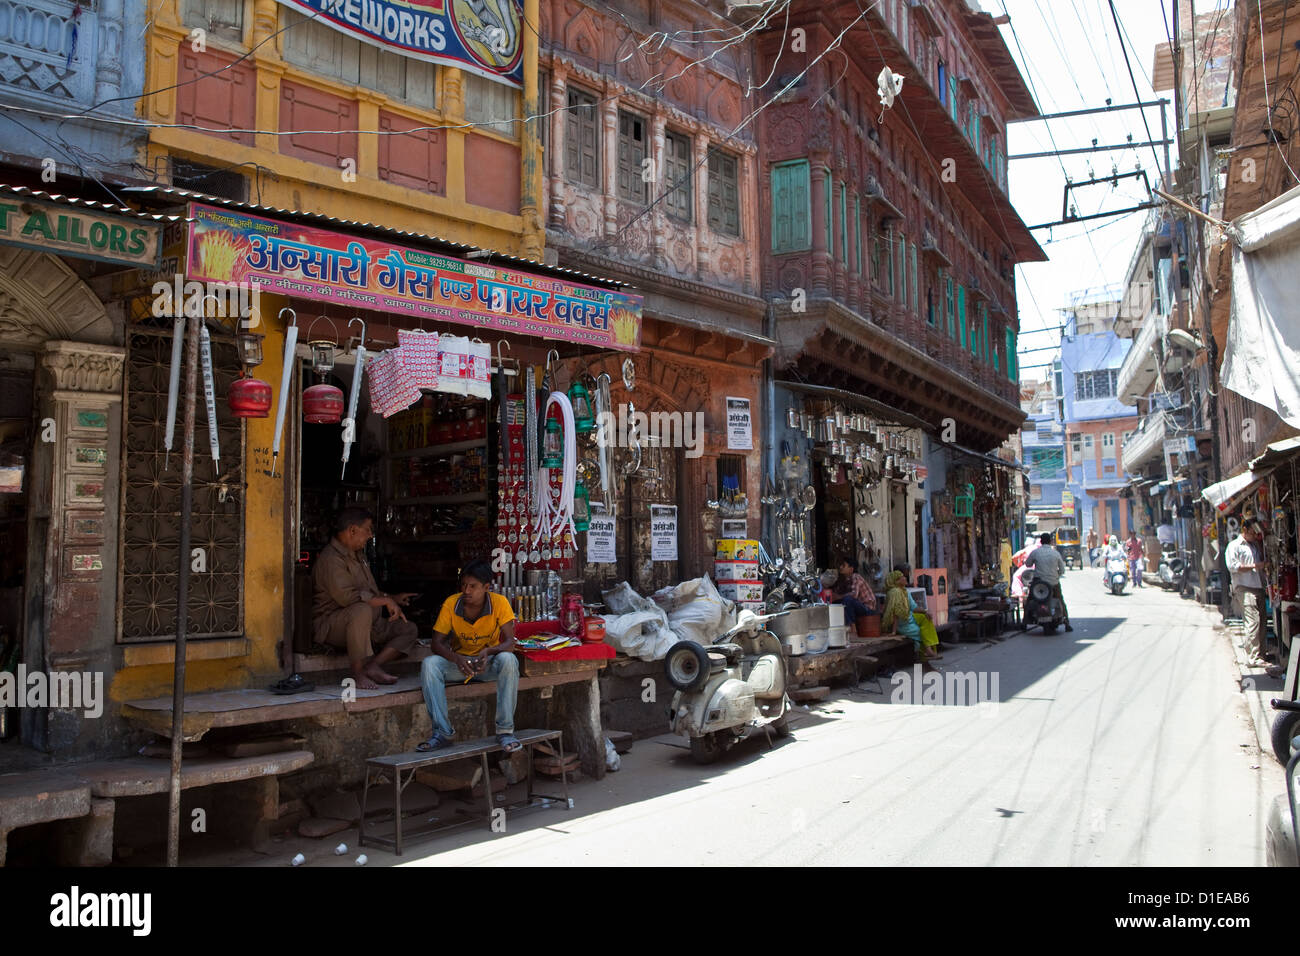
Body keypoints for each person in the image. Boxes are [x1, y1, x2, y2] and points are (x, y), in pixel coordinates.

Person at [418, 560, 522, 753]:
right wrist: (456, 658)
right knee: (429, 664)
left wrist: (489, 652)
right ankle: (442, 732)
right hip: (459, 665)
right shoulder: (451, 603)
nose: (466, 590)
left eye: (472, 586)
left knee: (509, 660)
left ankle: (505, 731)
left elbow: (510, 642)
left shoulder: (499, 603)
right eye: (464, 585)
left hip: (487, 663)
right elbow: (436, 643)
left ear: (486, 587)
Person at [313, 507, 419, 690]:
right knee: (360, 610)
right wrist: (386, 601)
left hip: (368, 623)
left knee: (408, 629)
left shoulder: (358, 556)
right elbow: (349, 598)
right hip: (333, 625)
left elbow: (369, 591)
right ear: (353, 530)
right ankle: (358, 673)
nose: (370, 535)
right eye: (367, 529)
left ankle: (373, 665)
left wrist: (392, 598)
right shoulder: (330, 559)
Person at [1226, 519, 1270, 668]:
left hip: (1258, 586)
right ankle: (1252, 657)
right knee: (1253, 622)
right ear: (1244, 529)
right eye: (1252, 533)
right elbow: (1233, 566)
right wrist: (1255, 566)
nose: (1254, 536)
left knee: (1262, 621)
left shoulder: (1254, 546)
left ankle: (1260, 654)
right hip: (1244, 588)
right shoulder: (1234, 546)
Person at [881, 570, 940, 660]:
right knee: (919, 631)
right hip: (901, 624)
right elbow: (896, 613)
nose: (905, 578)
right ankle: (926, 651)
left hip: (909, 618)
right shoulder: (895, 592)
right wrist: (893, 631)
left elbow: (914, 607)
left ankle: (929, 650)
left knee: (927, 619)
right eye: (902, 577)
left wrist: (925, 612)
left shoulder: (904, 591)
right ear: (896, 581)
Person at [1025, 532, 1073, 631]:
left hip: (1039, 584)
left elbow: (1028, 564)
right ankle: (1066, 622)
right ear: (1051, 542)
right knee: (1060, 600)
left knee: (1029, 600)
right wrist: (1056, 576)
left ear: (1041, 542)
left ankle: (1024, 622)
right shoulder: (1055, 553)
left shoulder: (1036, 552)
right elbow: (1062, 570)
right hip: (1053, 583)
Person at [830, 557, 877, 626]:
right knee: (837, 603)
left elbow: (854, 595)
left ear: (851, 569)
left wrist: (838, 597)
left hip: (868, 609)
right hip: (859, 607)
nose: (840, 567)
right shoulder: (845, 579)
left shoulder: (856, 577)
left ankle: (852, 627)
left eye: (843, 565)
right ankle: (842, 626)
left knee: (847, 600)